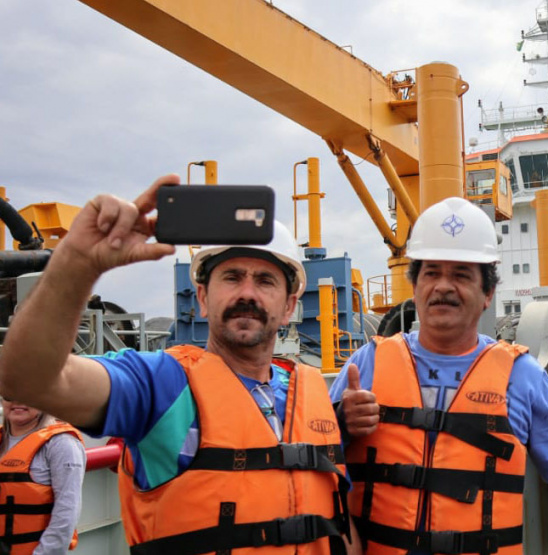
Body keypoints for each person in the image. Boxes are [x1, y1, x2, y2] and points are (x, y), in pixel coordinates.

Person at [0, 175, 358, 555]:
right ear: (202, 298)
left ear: (289, 306)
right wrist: (76, 264)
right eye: (232, 277)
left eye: (266, 280)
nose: (247, 293)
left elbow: (339, 520)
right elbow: (28, 381)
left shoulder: (311, 390)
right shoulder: (159, 385)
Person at [330, 197, 548, 554]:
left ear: (487, 293)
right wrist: (341, 422)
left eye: (461, 275)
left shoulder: (520, 376)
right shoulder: (366, 364)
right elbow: (317, 457)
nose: (443, 286)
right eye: (431, 272)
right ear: (415, 287)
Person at [0, 399, 85, 555]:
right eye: (9, 395)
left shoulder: (61, 444)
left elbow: (66, 512)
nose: (18, 401)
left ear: (42, 395)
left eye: (27, 394)